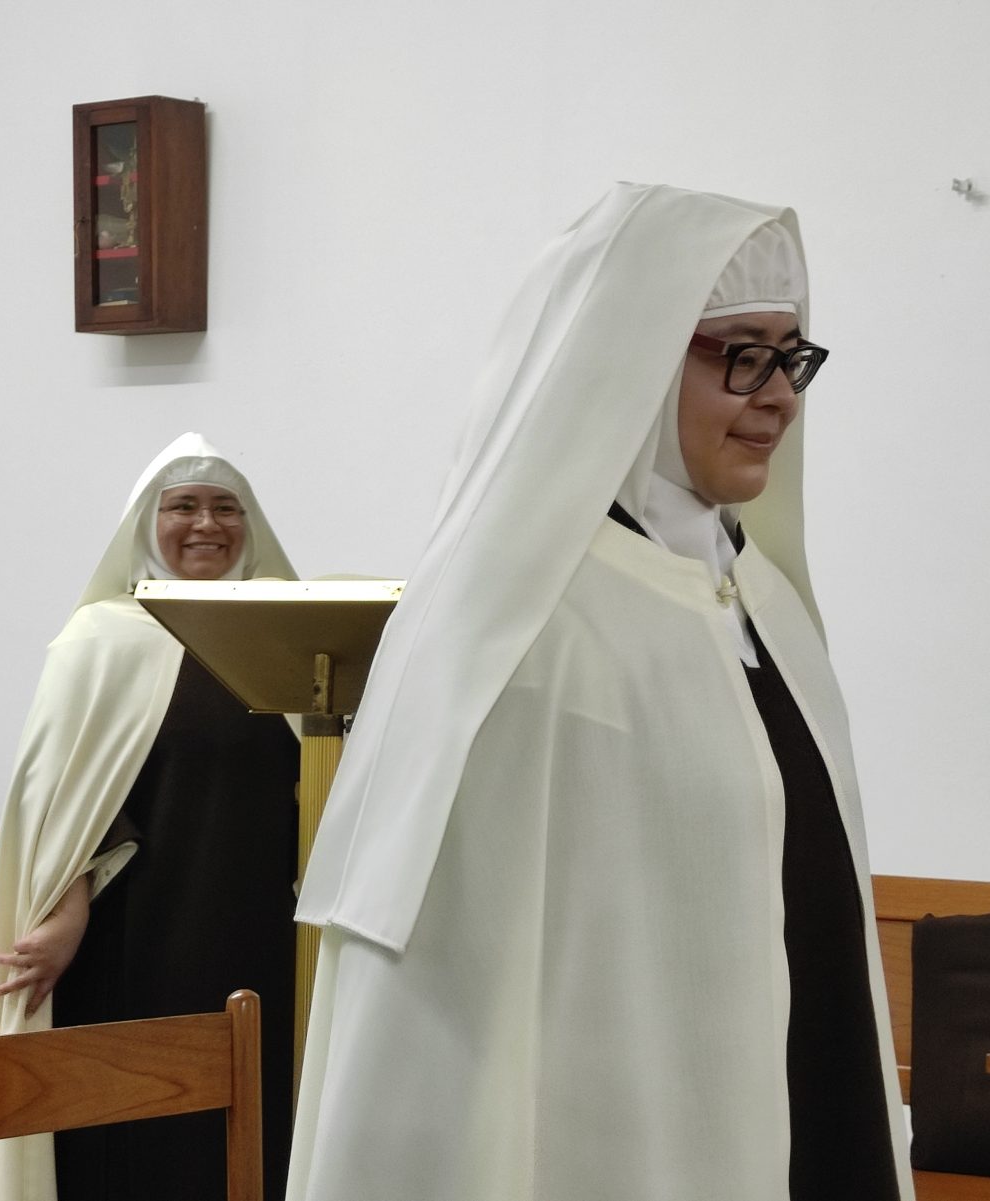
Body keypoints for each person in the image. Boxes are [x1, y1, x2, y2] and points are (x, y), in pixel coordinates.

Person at [288, 184, 913, 1201]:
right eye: (741, 354)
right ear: (629, 355)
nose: (781, 398)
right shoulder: (518, 627)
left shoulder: (764, 603)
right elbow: (435, 1033)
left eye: (791, 357)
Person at [0, 433, 299, 1201]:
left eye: (225, 507)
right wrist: (63, 904)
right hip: (138, 934)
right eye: (182, 506)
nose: (206, 524)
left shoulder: (288, 637)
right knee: (136, 1127)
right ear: (146, 524)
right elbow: (66, 797)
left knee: (252, 1117)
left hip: (260, 935)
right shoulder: (101, 637)